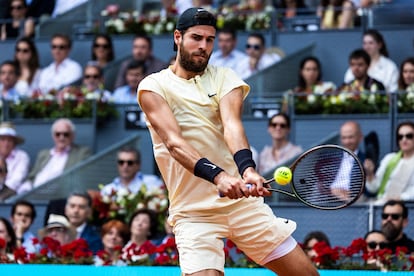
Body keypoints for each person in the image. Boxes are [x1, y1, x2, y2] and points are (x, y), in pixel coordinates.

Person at [137, 7, 318, 275]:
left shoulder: (225, 77)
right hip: (194, 213)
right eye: (196, 38)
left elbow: (232, 126)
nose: (203, 46)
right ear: (178, 37)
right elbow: (174, 144)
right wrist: (219, 177)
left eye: (210, 40)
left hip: (243, 206)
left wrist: (248, 170)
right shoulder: (153, 87)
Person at [19, 118, 91, 192]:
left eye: (66, 134)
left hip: (60, 195)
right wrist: (27, 186)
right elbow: (32, 176)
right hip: (34, 193)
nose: (61, 138)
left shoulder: (81, 153)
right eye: (58, 134)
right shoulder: (44, 154)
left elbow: (80, 177)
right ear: (53, 136)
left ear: (72, 136)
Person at [364, 121, 414, 202]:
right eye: (400, 137)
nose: (404, 139)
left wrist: (400, 197)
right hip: (382, 205)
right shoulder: (389, 158)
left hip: (404, 208)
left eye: (409, 136)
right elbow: (373, 188)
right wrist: (370, 174)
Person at [0, 122, 30, 200]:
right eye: (2, 139)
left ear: (14, 143)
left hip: (13, 198)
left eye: (9, 140)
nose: (6, 144)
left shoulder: (22, 156)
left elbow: (16, 181)